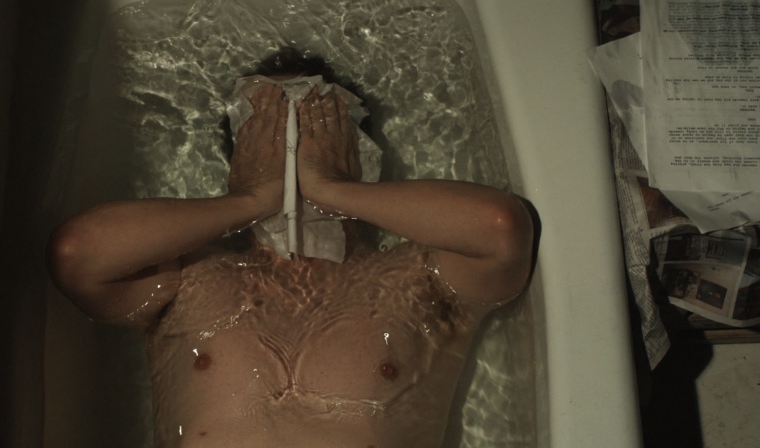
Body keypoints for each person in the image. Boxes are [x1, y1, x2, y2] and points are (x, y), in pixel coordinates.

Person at [46, 54, 535, 448]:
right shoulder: (189, 282)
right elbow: (77, 256)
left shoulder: (417, 283)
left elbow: (501, 230)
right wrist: (249, 200)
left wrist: (335, 190)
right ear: (242, 158)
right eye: (270, 132)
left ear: (359, 152)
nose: (293, 149)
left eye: (316, 127)